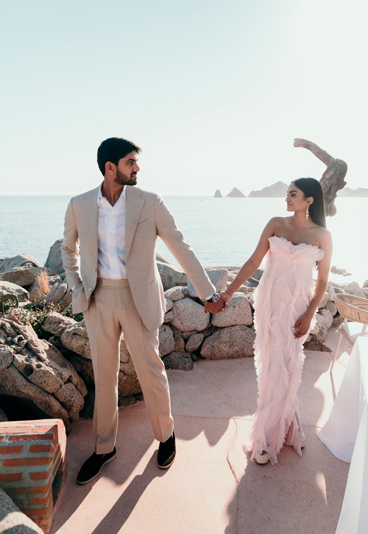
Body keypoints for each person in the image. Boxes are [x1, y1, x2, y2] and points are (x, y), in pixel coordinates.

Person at [61, 138, 221, 485]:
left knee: (151, 371)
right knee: (104, 376)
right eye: (131, 162)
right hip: (98, 299)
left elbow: (181, 247)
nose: (137, 168)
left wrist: (208, 292)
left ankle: (165, 436)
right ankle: (104, 449)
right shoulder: (79, 205)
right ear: (110, 168)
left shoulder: (149, 202)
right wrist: (77, 288)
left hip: (139, 300)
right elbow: (67, 249)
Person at [208, 178, 332, 465]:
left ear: (309, 200)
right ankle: (266, 439)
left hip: (297, 308)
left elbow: (323, 280)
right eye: (287, 194)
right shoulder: (276, 223)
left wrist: (310, 313)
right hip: (269, 304)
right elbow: (253, 261)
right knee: (273, 365)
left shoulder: (323, 235)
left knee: (287, 365)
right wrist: (228, 293)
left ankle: (285, 427)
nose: (286, 199)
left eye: (293, 194)